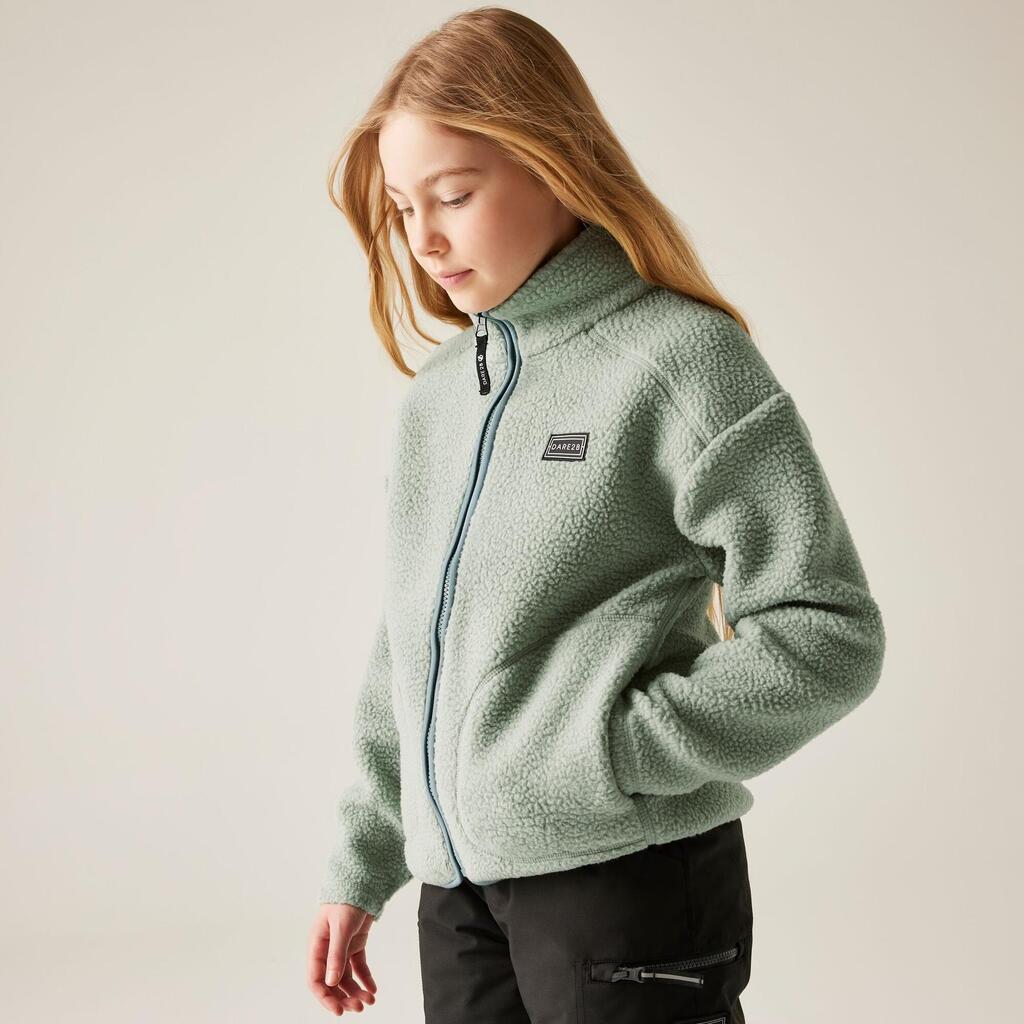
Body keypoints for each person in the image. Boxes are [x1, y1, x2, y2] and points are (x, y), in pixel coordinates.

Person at [306, 8, 886, 1022]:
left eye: (453, 195)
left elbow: (825, 632)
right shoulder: (440, 401)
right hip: (458, 895)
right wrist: (362, 859)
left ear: (554, 166)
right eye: (402, 208)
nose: (425, 238)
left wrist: (606, 754)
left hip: (625, 878)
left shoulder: (679, 361)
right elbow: (410, 645)